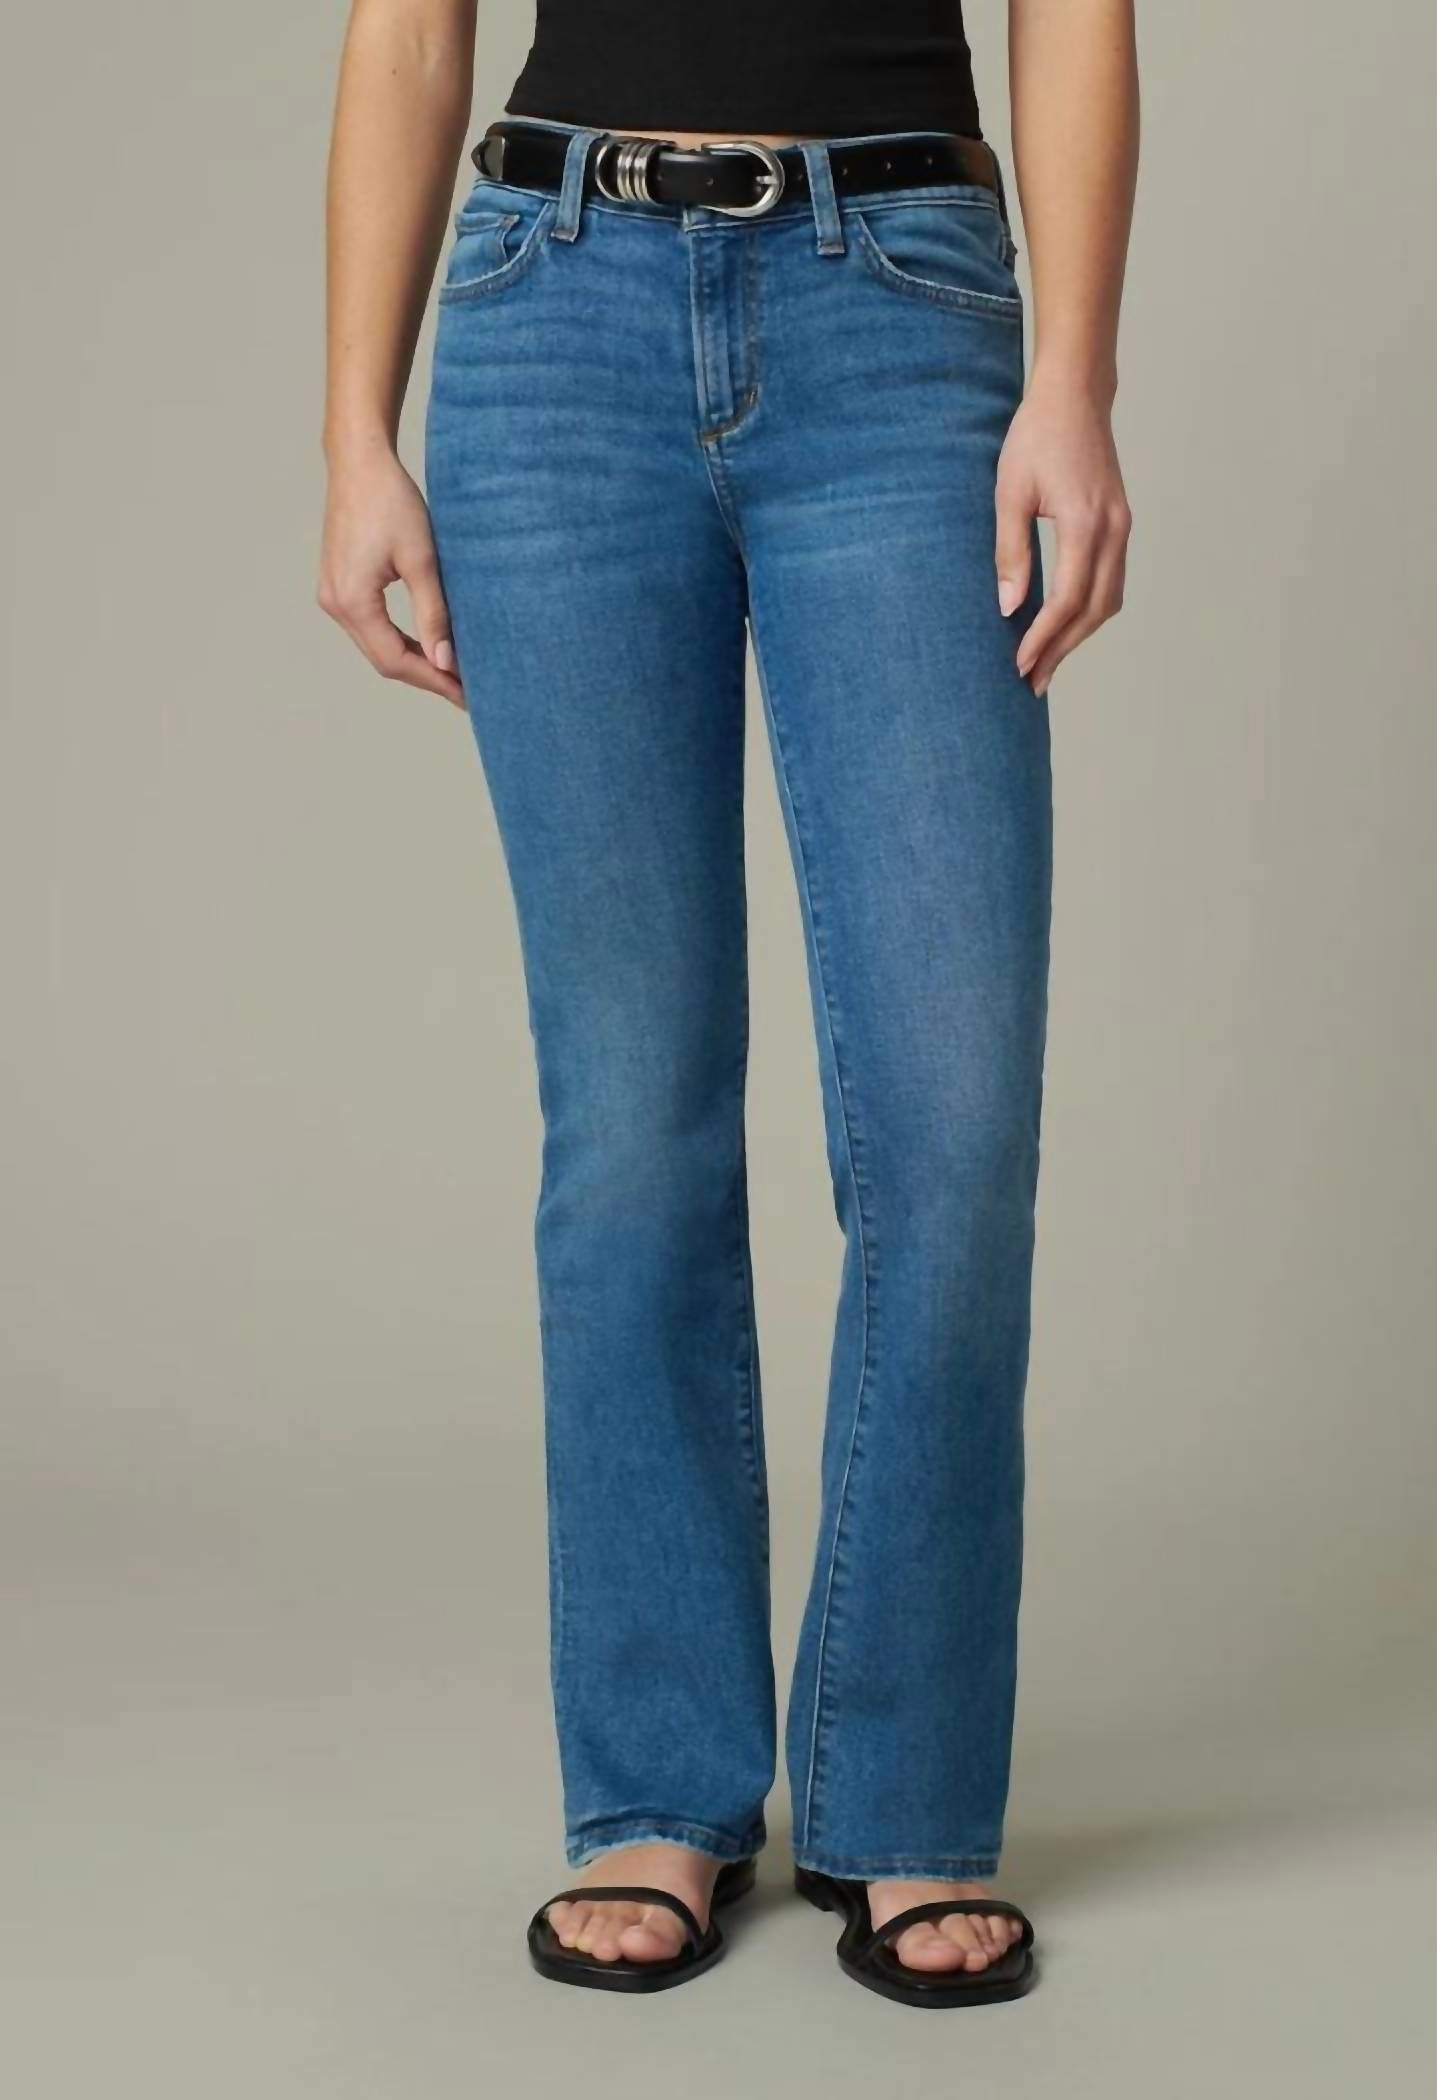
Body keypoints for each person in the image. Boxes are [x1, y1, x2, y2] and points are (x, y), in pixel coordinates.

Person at [318, 0, 1136, 2007]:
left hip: (902, 310)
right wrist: (352, 433)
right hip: (552, 316)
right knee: (631, 1128)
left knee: (950, 1128)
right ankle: (657, 1788)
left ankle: (906, 1797)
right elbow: (408, 27)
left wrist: (1075, 383)